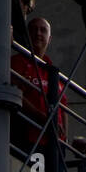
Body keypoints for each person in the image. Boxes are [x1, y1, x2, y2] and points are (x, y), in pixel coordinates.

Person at [11, 15, 67, 156]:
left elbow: (64, 106)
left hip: (55, 143)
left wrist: (64, 138)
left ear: (49, 38)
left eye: (43, 30)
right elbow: (15, 93)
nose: (38, 33)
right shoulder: (18, 62)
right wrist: (42, 116)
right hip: (31, 137)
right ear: (27, 34)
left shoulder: (53, 71)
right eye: (34, 30)